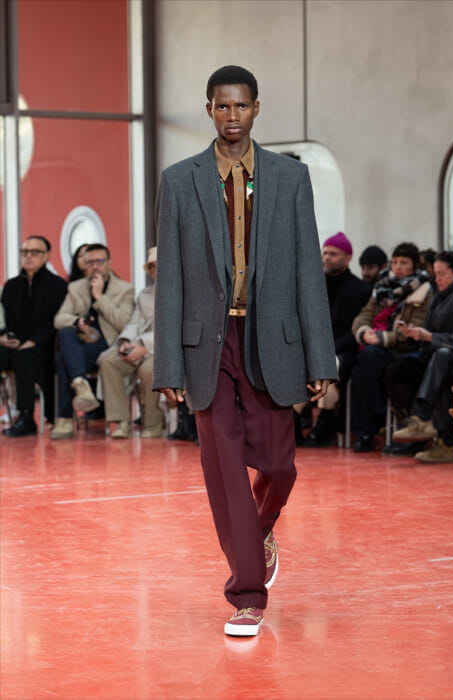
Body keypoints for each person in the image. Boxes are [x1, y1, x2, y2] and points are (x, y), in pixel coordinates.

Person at [152, 65, 336, 637]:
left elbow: (308, 273)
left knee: (279, 465)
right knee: (225, 468)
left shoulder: (290, 177)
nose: (232, 116)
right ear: (209, 109)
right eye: (222, 106)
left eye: (241, 106)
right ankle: (247, 595)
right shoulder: (179, 180)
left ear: (257, 108)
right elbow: (171, 278)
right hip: (206, 344)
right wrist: (168, 364)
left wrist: (321, 359)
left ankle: (259, 529)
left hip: (271, 338)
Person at [350, 242, 433, 452]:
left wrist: (383, 338)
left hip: (405, 349)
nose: (398, 267)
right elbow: (363, 316)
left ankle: (369, 429)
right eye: (395, 262)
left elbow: (415, 327)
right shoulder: (382, 287)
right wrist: (364, 333)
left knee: (367, 361)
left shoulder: (424, 290)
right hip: (377, 347)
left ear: (415, 265)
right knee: (359, 369)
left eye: (404, 262)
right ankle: (368, 429)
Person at [51, 243, 134, 439]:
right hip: (81, 344)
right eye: (90, 262)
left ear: (109, 263)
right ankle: (81, 384)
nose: (95, 266)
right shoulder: (76, 287)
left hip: (107, 344)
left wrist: (99, 296)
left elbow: (123, 323)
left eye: (99, 261)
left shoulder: (125, 289)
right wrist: (77, 322)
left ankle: (64, 419)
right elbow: (58, 319)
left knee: (62, 359)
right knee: (65, 333)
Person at [392, 251, 453, 462]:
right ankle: (427, 431)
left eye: (442, 274)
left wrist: (430, 337)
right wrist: (415, 335)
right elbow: (430, 332)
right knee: (397, 367)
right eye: (435, 274)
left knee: (441, 360)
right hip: (439, 356)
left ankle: (425, 424)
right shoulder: (439, 296)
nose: (437, 279)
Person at [301, 231, 370, 446]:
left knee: (330, 366)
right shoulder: (313, 286)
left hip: (344, 351)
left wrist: (326, 351)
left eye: (333, 254)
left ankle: (325, 421)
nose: (327, 257)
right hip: (314, 348)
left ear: (348, 258)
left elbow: (355, 332)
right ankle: (294, 418)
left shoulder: (361, 290)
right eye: (325, 253)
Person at [0, 236, 67, 436]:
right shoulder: (11, 286)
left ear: (46, 256)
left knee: (25, 357)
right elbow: (5, 320)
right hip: (13, 342)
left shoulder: (57, 286)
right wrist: (4, 336)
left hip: (43, 346)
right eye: (25, 252)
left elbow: (56, 323)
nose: (28, 256)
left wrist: (33, 341)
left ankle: (27, 417)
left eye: (35, 252)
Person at [98, 247, 164, 439]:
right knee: (109, 361)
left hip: (164, 349)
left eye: (160, 265)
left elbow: (174, 331)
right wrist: (126, 342)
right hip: (141, 344)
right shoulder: (145, 294)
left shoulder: (183, 293)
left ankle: (153, 423)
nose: (157, 270)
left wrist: (144, 347)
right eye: (153, 266)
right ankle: (121, 421)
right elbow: (135, 322)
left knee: (149, 370)